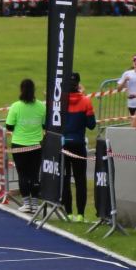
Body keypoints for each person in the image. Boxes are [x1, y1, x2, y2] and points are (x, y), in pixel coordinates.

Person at [57, 74, 96, 219]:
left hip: (63, 144)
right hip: (78, 143)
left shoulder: (60, 102)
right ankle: (80, 214)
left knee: (65, 178)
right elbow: (91, 125)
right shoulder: (86, 101)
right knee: (80, 180)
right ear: (78, 84)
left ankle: (68, 213)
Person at [5, 78, 46, 210]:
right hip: (36, 145)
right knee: (34, 174)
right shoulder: (41, 106)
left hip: (19, 145)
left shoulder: (16, 106)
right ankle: (35, 203)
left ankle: (26, 204)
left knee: (22, 174)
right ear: (34, 90)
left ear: (21, 90)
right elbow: (45, 125)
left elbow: (9, 126)